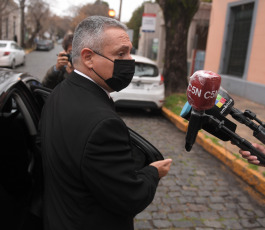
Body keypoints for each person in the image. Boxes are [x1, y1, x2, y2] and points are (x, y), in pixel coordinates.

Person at [40, 16, 172, 230]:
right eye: (120, 54)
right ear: (88, 58)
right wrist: (153, 173)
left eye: (130, 51)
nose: (130, 61)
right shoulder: (104, 125)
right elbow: (129, 197)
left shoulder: (58, 92)